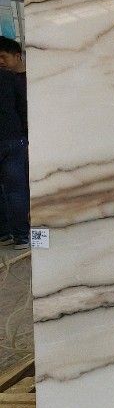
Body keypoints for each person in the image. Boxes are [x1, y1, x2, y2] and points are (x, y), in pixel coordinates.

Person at [0, 36, 28, 249]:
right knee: (16, 190)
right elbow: (22, 110)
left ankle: (5, 233)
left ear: (17, 55)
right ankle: (21, 236)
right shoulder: (10, 79)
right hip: (13, 140)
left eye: (3, 56)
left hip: (13, 139)